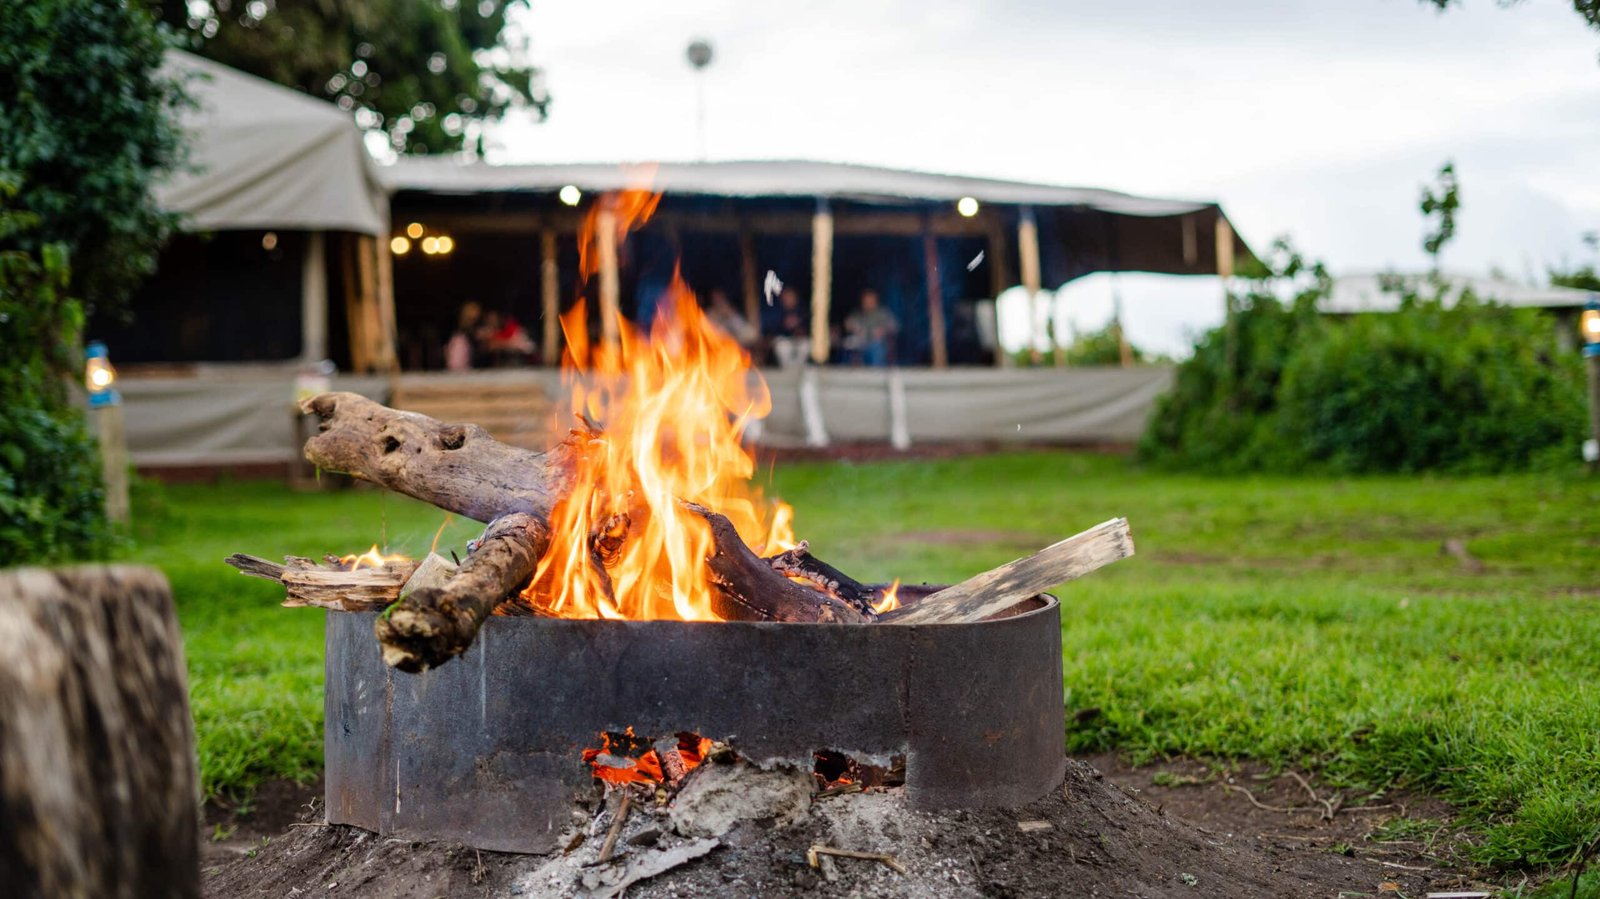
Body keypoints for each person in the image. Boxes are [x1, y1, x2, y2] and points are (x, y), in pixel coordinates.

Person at [843, 289, 897, 367]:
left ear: (875, 301)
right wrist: (852, 326)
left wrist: (883, 330)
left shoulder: (883, 313)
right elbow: (848, 323)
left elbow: (894, 326)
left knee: (876, 348)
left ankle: (876, 374)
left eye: (869, 301)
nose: (867, 303)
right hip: (860, 343)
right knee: (848, 348)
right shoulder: (857, 313)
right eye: (865, 301)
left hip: (877, 344)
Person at [769, 287, 811, 369]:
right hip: (785, 340)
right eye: (786, 297)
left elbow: (808, 327)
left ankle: (799, 370)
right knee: (782, 347)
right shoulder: (778, 311)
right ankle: (787, 371)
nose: (788, 299)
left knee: (806, 345)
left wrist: (800, 329)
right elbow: (773, 330)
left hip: (800, 340)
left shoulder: (803, 310)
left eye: (791, 296)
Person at [445, 301, 481, 371]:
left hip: (469, 367)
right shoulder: (459, 334)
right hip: (458, 368)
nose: (476, 313)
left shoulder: (475, 329)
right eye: (473, 310)